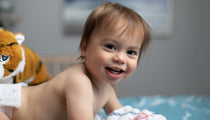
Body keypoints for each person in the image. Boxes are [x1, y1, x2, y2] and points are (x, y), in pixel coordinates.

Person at [0, 2, 151, 120]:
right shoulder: (79, 82)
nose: (120, 58)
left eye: (131, 52)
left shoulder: (107, 90)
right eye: (110, 47)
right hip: (7, 105)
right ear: (84, 47)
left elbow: (123, 115)